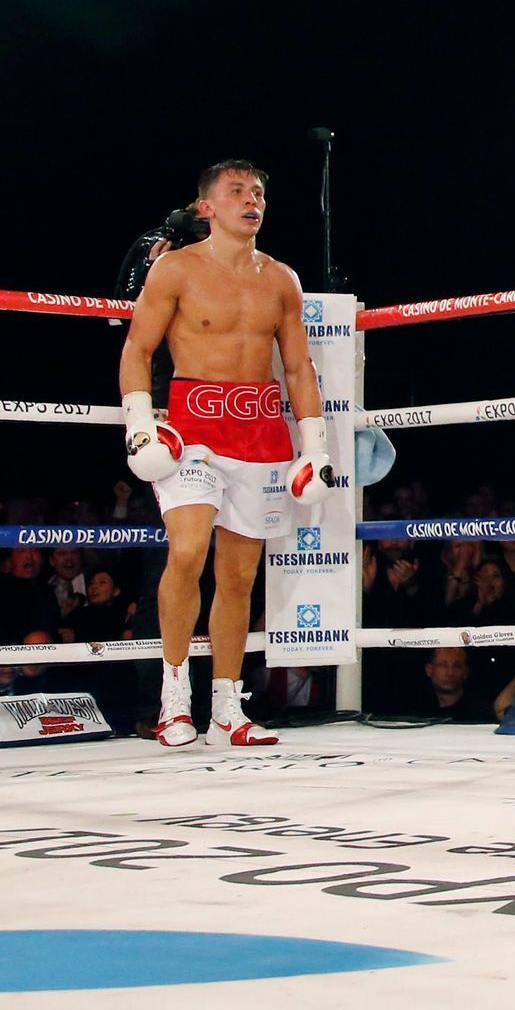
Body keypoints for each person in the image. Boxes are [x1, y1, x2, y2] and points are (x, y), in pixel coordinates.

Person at [118, 159, 335, 748]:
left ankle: (226, 712)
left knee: (238, 577)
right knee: (187, 552)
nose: (251, 200)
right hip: (194, 428)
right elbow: (137, 348)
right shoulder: (176, 268)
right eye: (237, 191)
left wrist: (315, 446)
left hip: (260, 429)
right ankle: (172, 701)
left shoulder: (281, 279)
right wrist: (140, 424)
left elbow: (298, 367)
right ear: (207, 206)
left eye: (258, 192)